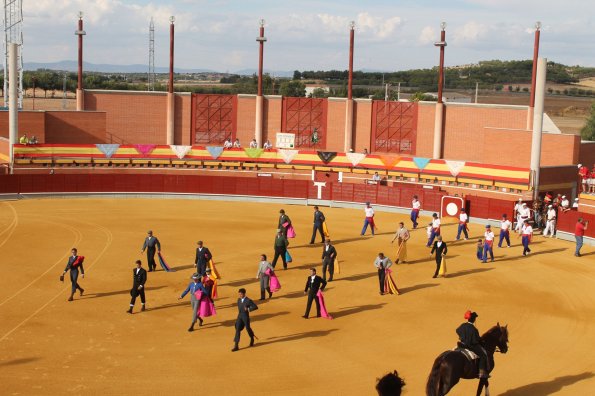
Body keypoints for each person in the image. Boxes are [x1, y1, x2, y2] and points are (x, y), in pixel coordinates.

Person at [456, 310, 489, 379]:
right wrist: (481, 341)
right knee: (483, 355)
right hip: (470, 346)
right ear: (473, 320)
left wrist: (462, 336)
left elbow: (457, 330)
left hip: (461, 344)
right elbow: (476, 340)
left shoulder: (463, 325)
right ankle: (481, 373)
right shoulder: (474, 329)